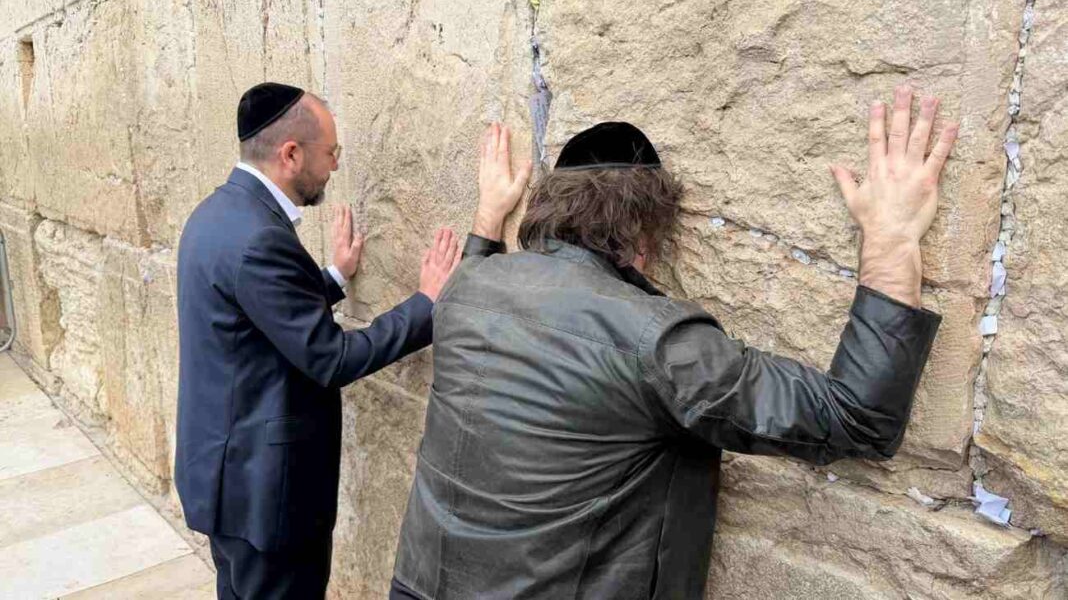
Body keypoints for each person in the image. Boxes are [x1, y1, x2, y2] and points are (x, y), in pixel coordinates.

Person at [390, 86, 958, 599]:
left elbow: (475, 276)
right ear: (644, 232)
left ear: (545, 211)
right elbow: (855, 416)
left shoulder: (465, 288)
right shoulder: (654, 339)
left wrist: (488, 216)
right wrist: (890, 238)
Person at [175, 82, 461, 599]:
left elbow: (252, 313)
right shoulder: (260, 237)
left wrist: (330, 276)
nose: (333, 166)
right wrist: (425, 305)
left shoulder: (214, 215)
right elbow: (330, 357)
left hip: (225, 481)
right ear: (291, 153)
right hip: (265, 496)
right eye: (331, 153)